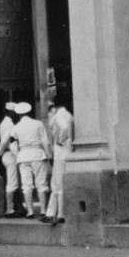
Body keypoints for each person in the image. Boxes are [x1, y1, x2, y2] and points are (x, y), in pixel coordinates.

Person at [11, 101, 51, 219]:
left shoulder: (15, 128)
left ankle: (30, 211)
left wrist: (17, 157)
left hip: (23, 156)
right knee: (41, 183)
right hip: (38, 154)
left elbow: (13, 146)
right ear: (30, 112)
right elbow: (45, 141)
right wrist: (49, 155)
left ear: (18, 114)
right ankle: (43, 210)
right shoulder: (38, 124)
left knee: (26, 184)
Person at [42, 95, 75, 225]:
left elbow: (64, 127)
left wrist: (60, 141)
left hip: (60, 153)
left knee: (57, 184)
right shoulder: (69, 115)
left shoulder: (59, 115)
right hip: (68, 152)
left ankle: (56, 214)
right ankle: (57, 213)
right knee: (60, 183)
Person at [0, 103, 22, 217]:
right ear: (10, 112)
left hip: (8, 153)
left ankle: (16, 207)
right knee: (12, 183)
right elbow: (4, 141)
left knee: (13, 182)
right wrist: (0, 152)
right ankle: (10, 209)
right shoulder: (9, 124)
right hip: (9, 154)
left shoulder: (5, 122)